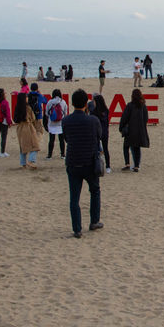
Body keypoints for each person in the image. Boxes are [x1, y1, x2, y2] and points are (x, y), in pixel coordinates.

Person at [62, 89, 103, 238]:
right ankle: (94, 221)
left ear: (72, 103)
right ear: (86, 103)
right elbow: (98, 136)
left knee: (74, 197)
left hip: (73, 161)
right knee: (95, 191)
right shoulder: (93, 120)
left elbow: (66, 138)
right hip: (90, 162)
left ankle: (77, 229)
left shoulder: (66, 120)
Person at [119, 88, 149, 172]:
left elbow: (124, 118)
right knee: (137, 148)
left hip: (130, 131)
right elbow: (146, 118)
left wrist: (121, 127)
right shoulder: (143, 106)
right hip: (139, 131)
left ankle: (127, 163)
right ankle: (136, 166)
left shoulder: (130, 105)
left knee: (126, 146)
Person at [13, 90, 40, 169]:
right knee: (35, 145)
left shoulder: (17, 107)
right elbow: (33, 118)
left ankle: (23, 163)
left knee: (22, 146)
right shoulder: (27, 107)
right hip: (28, 127)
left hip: (20, 128)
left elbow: (15, 119)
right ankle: (31, 161)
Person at [90, 94, 112, 173]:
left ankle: (96, 165)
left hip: (96, 133)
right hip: (105, 132)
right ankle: (108, 166)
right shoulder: (106, 111)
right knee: (105, 149)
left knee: (96, 149)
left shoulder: (94, 112)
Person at [46, 89, 66, 159]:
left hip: (52, 124)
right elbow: (65, 113)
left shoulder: (50, 102)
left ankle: (49, 155)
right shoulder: (63, 102)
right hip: (60, 124)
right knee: (61, 140)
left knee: (51, 140)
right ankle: (63, 155)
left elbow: (47, 113)